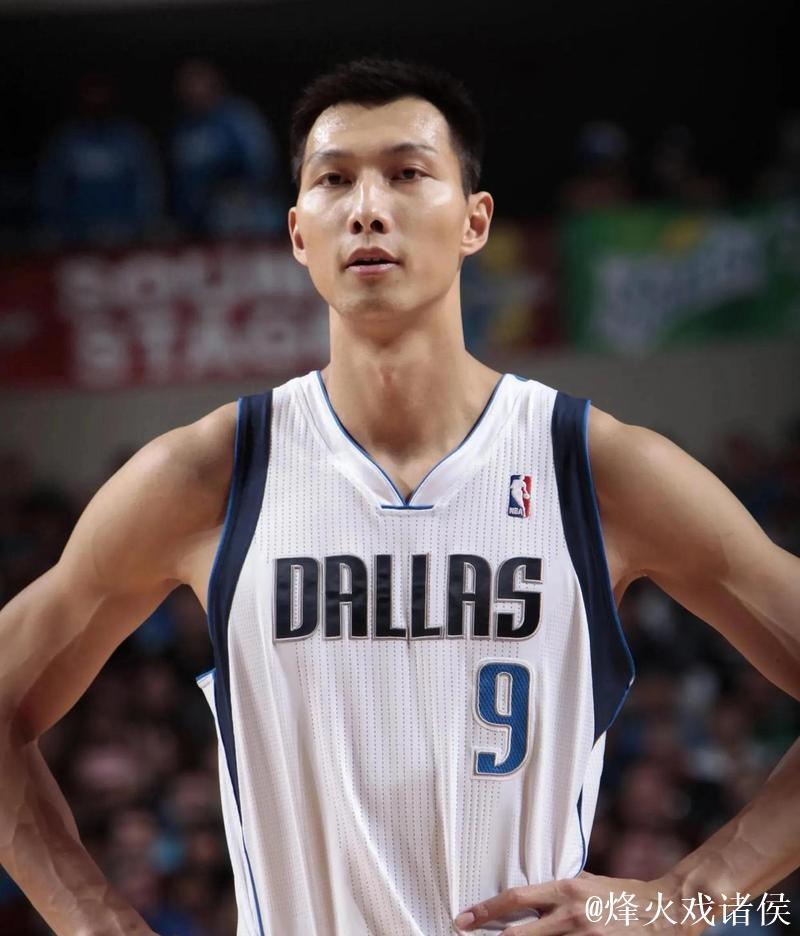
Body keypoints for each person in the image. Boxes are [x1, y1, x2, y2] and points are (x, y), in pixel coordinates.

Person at [0, 57, 798, 936]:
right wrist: (97, 925)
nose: (368, 208)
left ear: (475, 220)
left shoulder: (594, 467)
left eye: (408, 173)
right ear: (298, 233)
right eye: (334, 180)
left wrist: (685, 901)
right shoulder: (209, 475)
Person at [36, 73, 163, 248]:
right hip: (75, 238)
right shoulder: (68, 140)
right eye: (92, 93)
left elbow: (148, 186)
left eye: (101, 93)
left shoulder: (130, 138)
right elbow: (51, 188)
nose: (97, 99)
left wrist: (140, 226)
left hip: (126, 237)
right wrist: (60, 228)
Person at [170, 59, 284, 238]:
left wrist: (243, 188)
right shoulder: (184, 129)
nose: (195, 91)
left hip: (247, 203)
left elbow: (263, 161)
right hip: (202, 214)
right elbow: (182, 182)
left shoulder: (238, 117)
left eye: (199, 82)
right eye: (188, 85)